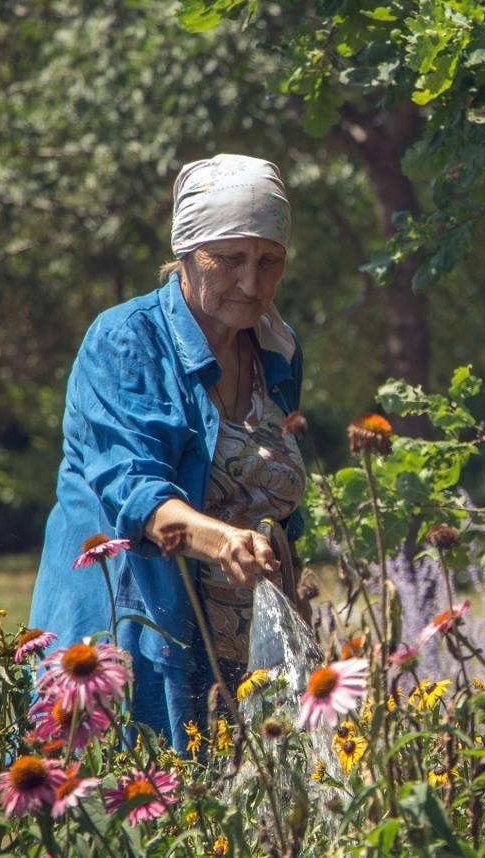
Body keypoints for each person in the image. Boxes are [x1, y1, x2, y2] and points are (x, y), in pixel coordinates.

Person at [28, 154, 308, 753]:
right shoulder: (126, 340)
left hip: (242, 651)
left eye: (270, 261)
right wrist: (226, 541)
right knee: (128, 813)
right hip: (130, 634)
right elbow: (136, 495)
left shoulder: (276, 351)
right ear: (186, 252)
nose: (252, 283)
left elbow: (278, 491)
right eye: (229, 260)